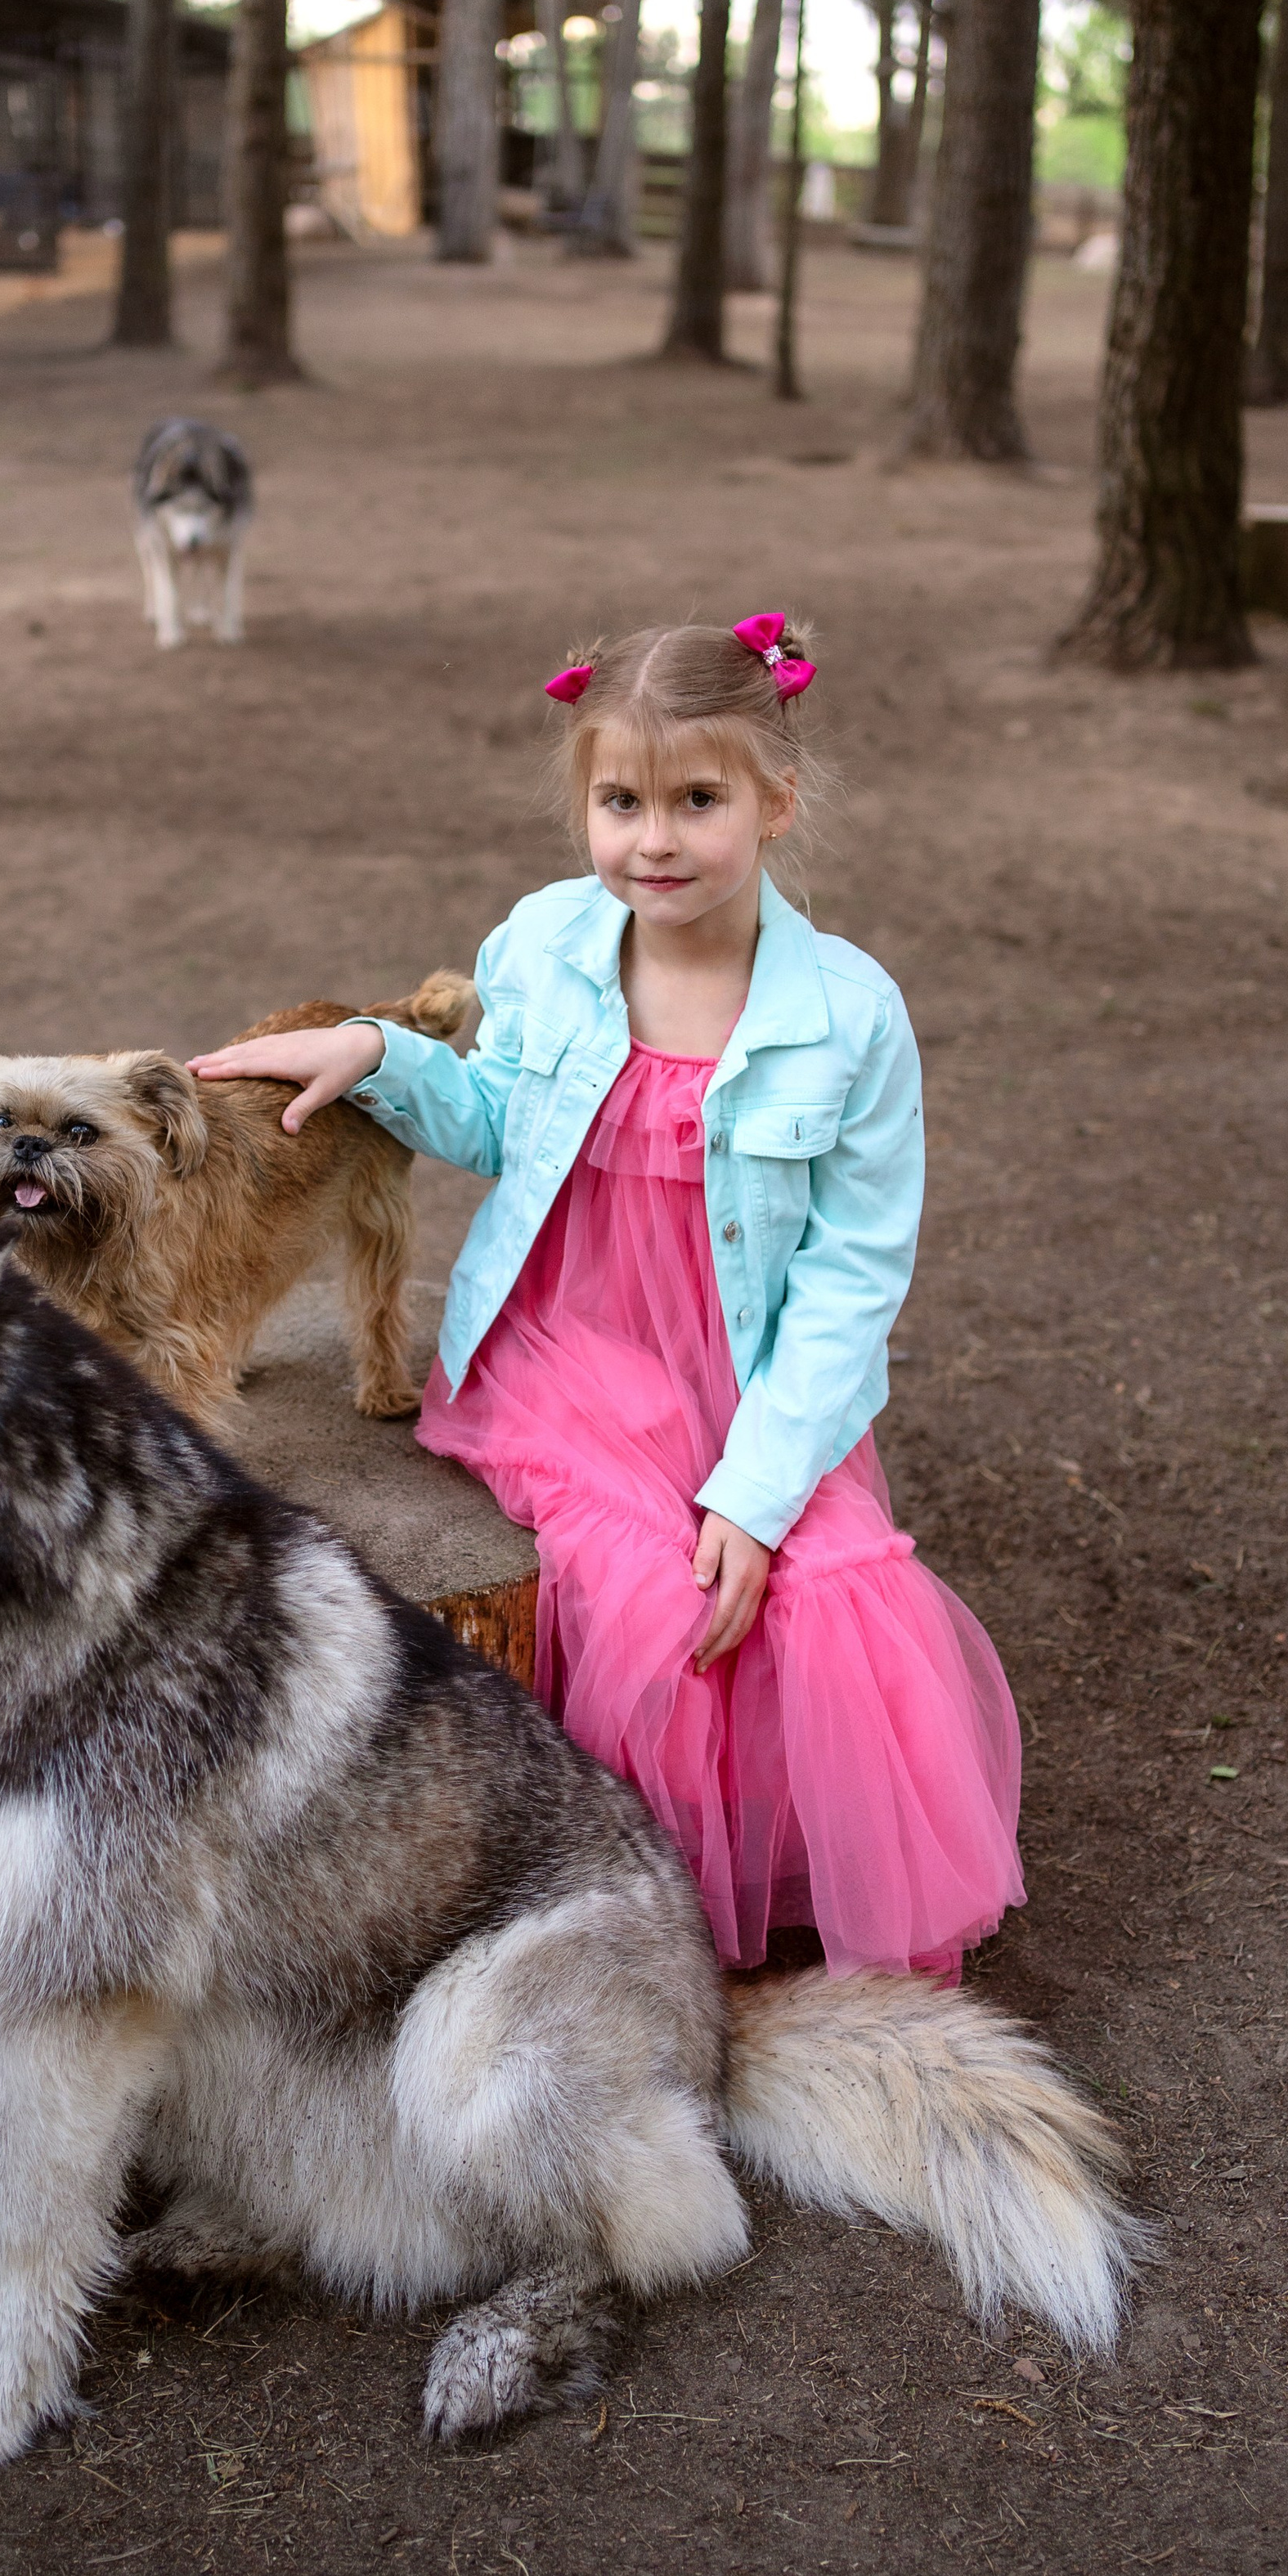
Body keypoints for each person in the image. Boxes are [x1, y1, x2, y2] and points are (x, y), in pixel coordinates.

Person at [190, 615, 1024, 1981]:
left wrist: (757, 1488)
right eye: (621, 802)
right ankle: (620, 1911)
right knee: (654, 1600)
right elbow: (497, 1123)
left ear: (775, 801)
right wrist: (376, 1050)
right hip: (567, 1356)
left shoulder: (851, 1014)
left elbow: (853, 1276)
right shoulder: (547, 947)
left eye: (699, 801)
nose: (655, 840)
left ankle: (788, 1883)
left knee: (823, 1598)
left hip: (756, 1380)